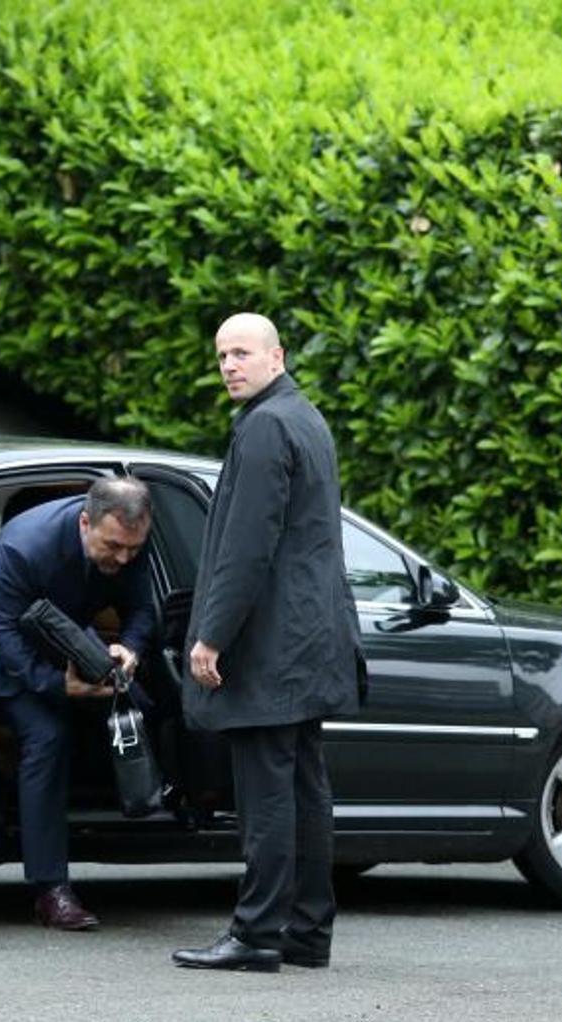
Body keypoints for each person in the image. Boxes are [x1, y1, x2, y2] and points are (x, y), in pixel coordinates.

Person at [171, 312, 363, 973]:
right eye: (222, 355)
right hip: (309, 637)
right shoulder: (304, 418)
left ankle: (256, 934)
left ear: (276, 356)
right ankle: (307, 933)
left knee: (268, 795)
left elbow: (247, 546)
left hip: (272, 645)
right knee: (305, 788)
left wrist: (211, 636)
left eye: (242, 353)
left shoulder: (265, 426)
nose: (229, 365)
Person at [0, 478, 156, 930]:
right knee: (47, 734)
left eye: (133, 550)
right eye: (113, 547)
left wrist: (131, 649)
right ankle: (50, 889)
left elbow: (143, 608)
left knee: (138, 703)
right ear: (86, 523)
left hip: (60, 630)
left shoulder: (130, 539)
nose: (123, 559)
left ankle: (153, 806)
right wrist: (58, 686)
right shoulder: (25, 545)